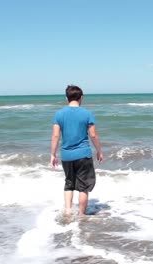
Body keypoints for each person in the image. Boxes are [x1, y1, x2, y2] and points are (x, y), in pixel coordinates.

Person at [50, 85, 104, 216]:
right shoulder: (87, 113)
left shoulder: (59, 114)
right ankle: (81, 215)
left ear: (66, 98)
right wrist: (99, 151)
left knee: (69, 184)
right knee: (83, 187)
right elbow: (93, 135)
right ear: (81, 97)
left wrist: (52, 154)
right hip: (83, 155)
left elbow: (56, 135)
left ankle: (68, 211)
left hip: (66, 155)